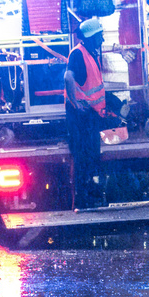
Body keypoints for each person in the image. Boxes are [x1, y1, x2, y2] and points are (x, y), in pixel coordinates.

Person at [65, 16, 107, 209]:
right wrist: (75, 102)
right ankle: (82, 200)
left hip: (89, 115)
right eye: (100, 36)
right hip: (80, 116)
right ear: (91, 37)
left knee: (91, 156)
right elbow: (68, 76)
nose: (103, 40)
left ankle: (90, 197)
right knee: (82, 157)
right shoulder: (78, 54)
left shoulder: (90, 53)